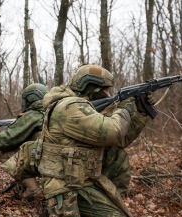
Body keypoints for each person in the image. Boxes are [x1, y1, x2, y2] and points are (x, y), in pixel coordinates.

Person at [37, 64, 156, 217]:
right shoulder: (69, 107)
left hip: (82, 181)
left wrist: (141, 112)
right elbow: (113, 131)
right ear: (91, 88)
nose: (108, 94)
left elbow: (120, 140)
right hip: (63, 186)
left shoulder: (84, 107)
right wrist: (124, 108)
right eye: (105, 89)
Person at [0, 83, 48, 198]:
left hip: (44, 160)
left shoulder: (34, 115)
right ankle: (26, 188)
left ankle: (33, 189)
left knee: (6, 154)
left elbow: (6, 140)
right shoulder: (48, 113)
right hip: (55, 160)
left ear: (31, 98)